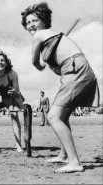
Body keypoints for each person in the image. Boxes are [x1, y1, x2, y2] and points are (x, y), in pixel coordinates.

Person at [21, 2, 100, 173]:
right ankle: (64, 155)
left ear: (43, 20)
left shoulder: (40, 36)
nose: (31, 25)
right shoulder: (51, 39)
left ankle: (74, 162)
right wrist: (52, 65)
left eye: (34, 20)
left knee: (53, 116)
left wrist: (41, 66)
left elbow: (34, 61)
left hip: (75, 71)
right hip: (77, 70)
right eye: (28, 23)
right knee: (62, 117)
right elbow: (59, 69)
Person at [0, 51, 24, 153]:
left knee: (15, 115)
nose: (0, 62)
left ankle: (19, 145)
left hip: (9, 95)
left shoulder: (12, 75)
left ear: (6, 63)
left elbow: (17, 92)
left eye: (2, 60)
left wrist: (15, 93)